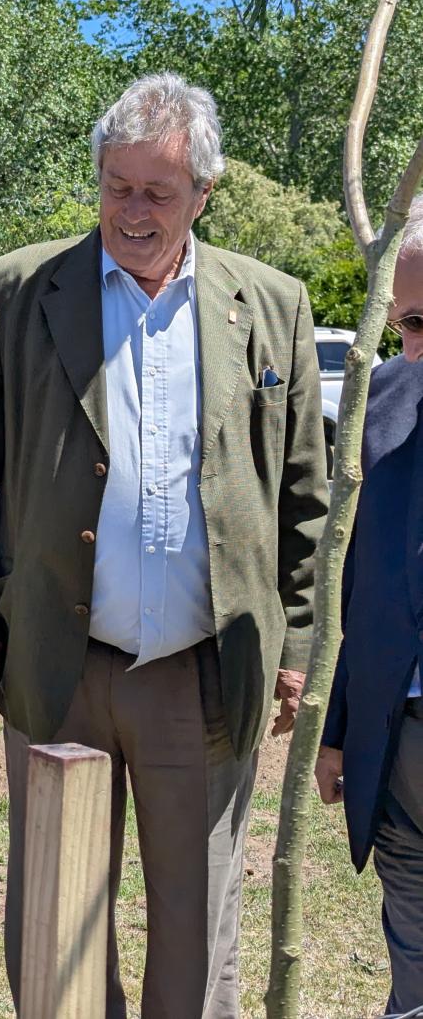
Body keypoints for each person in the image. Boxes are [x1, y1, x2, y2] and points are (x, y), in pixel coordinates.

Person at [0, 72, 328, 1019]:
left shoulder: (273, 306)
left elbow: (306, 501)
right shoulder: (19, 290)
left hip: (202, 667)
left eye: (157, 191)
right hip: (58, 660)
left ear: (202, 193)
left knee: (196, 927)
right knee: (56, 921)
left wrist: (298, 647)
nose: (133, 211)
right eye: (117, 186)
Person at [317, 198, 423, 1017]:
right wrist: (337, 731)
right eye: (408, 325)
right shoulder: (376, 399)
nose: (417, 347)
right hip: (397, 743)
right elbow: (356, 586)